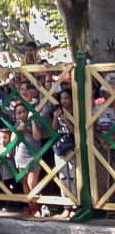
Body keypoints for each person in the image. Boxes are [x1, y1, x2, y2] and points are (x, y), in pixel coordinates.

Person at [52, 86, 77, 217]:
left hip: (72, 146)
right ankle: (66, 205)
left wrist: (67, 119)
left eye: (67, 98)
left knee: (73, 176)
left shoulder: (75, 112)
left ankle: (75, 204)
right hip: (59, 145)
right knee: (63, 177)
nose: (64, 101)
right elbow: (53, 129)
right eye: (62, 99)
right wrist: (56, 117)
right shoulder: (58, 112)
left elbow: (75, 131)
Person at [13, 102, 41, 215]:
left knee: (32, 182)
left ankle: (37, 206)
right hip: (21, 156)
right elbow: (12, 142)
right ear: (16, 115)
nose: (22, 114)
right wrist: (18, 131)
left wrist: (32, 120)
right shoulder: (16, 125)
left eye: (24, 111)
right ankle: (30, 206)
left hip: (34, 156)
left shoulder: (35, 122)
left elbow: (37, 137)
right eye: (19, 113)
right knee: (25, 183)